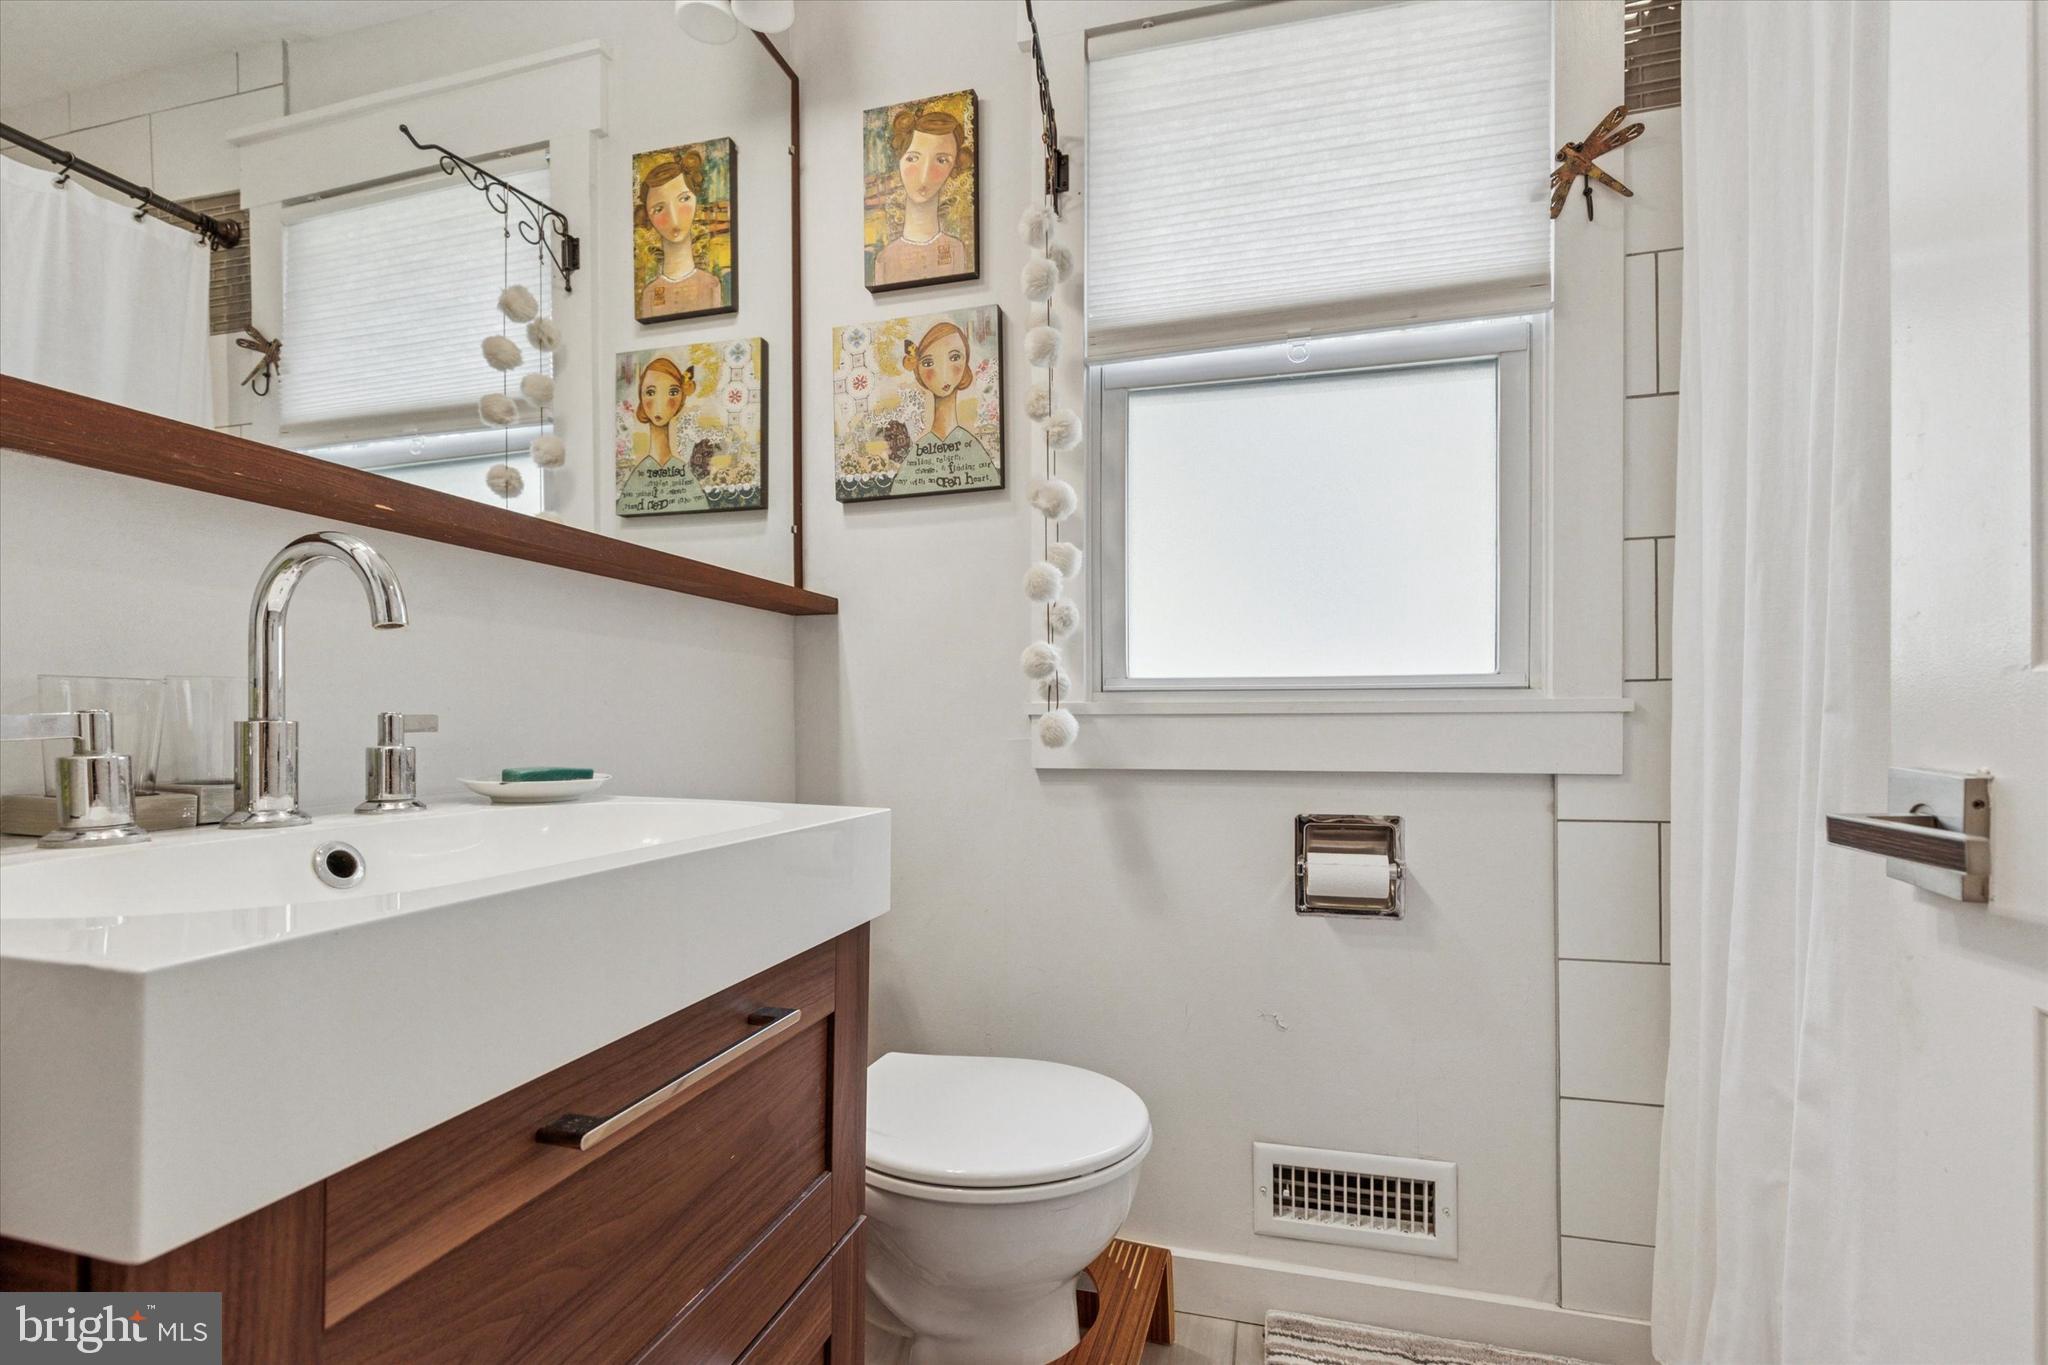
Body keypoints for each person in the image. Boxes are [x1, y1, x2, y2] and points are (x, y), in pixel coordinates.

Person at [890, 321, 998, 496]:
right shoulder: (918, 454)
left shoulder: (971, 448)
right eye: (928, 362)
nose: (943, 372)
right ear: (918, 371)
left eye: (954, 358)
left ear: (965, 365)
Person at [870, 106, 971, 286]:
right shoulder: (884, 259)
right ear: (899, 161)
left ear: (954, 167)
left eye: (941, 160)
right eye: (913, 158)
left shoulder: (957, 250)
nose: (924, 175)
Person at [636, 151, 725, 319]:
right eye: (659, 209)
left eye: (683, 199)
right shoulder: (650, 294)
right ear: (648, 217)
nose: (674, 217)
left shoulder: (711, 285)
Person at [617, 356, 711, 514]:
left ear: (681, 398)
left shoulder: (683, 474)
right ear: (641, 398)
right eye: (650, 392)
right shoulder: (638, 477)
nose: (660, 403)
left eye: (673, 392)